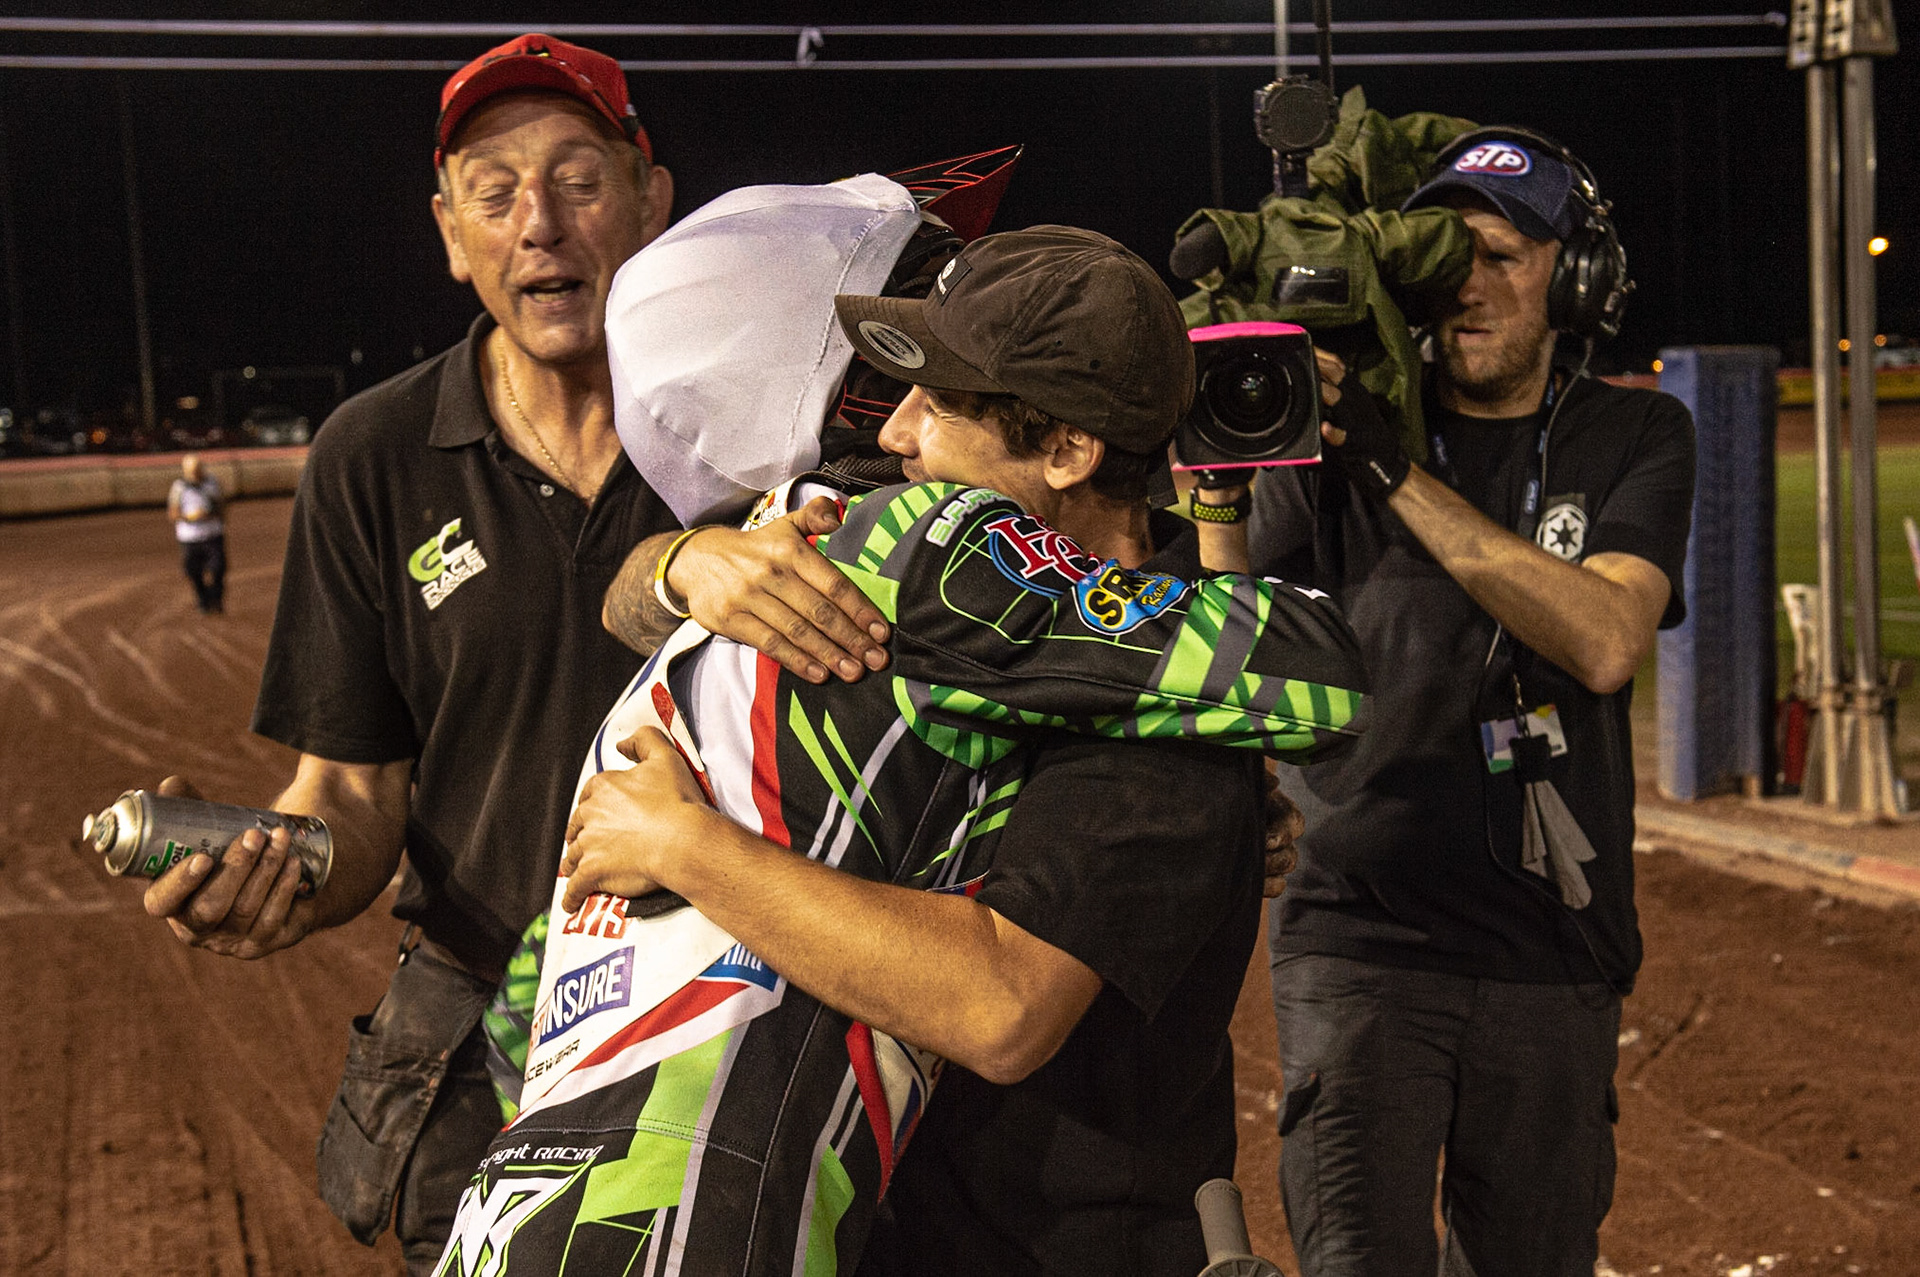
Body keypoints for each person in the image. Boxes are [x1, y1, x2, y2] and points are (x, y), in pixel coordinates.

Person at [441, 225, 1369, 1276]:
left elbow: (1002, 1008)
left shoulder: (1170, 714)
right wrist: (682, 561)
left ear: (1066, 450)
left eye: (941, 405)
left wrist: (684, 845)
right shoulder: (888, 605)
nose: (898, 439)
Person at [135, 33, 680, 1272]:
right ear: (450, 234)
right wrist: (280, 874)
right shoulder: (369, 457)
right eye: (495, 192)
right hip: (477, 1045)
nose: (538, 223)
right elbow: (354, 793)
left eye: (579, 180)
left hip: (723, 1016)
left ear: (651, 197)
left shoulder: (749, 428)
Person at [1217, 128, 1695, 1276]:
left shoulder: (1636, 430)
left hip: (1554, 944)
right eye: (1447, 257)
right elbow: (1226, 617)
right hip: (1359, 931)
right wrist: (1226, 456)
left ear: (1575, 278)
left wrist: (1396, 471)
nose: (1472, 284)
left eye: (1507, 253)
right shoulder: (1330, 430)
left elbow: (1605, 638)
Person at [168, 452, 226, 613]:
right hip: (189, 537)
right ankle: (202, 598)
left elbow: (222, 506)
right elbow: (173, 513)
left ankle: (216, 597)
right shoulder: (179, 487)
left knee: (218, 568)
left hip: (212, 534)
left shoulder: (212, 484)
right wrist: (188, 517)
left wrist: (209, 515)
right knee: (193, 571)